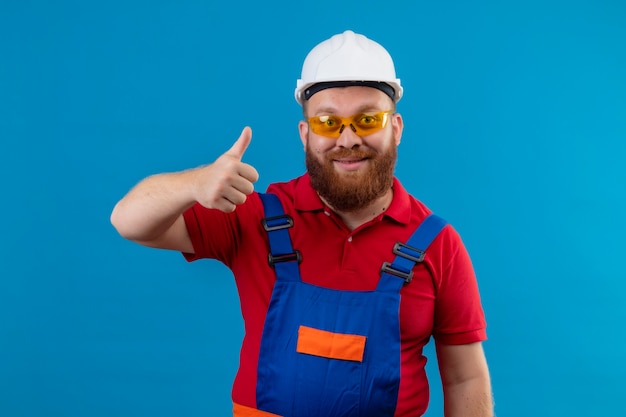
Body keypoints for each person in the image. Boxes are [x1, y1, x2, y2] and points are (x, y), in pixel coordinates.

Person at [111, 29, 493, 417]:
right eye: (329, 122)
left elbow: (465, 379)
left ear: (394, 128)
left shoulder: (436, 243)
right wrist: (194, 184)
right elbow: (128, 221)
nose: (348, 138)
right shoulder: (257, 217)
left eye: (367, 119)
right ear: (305, 133)